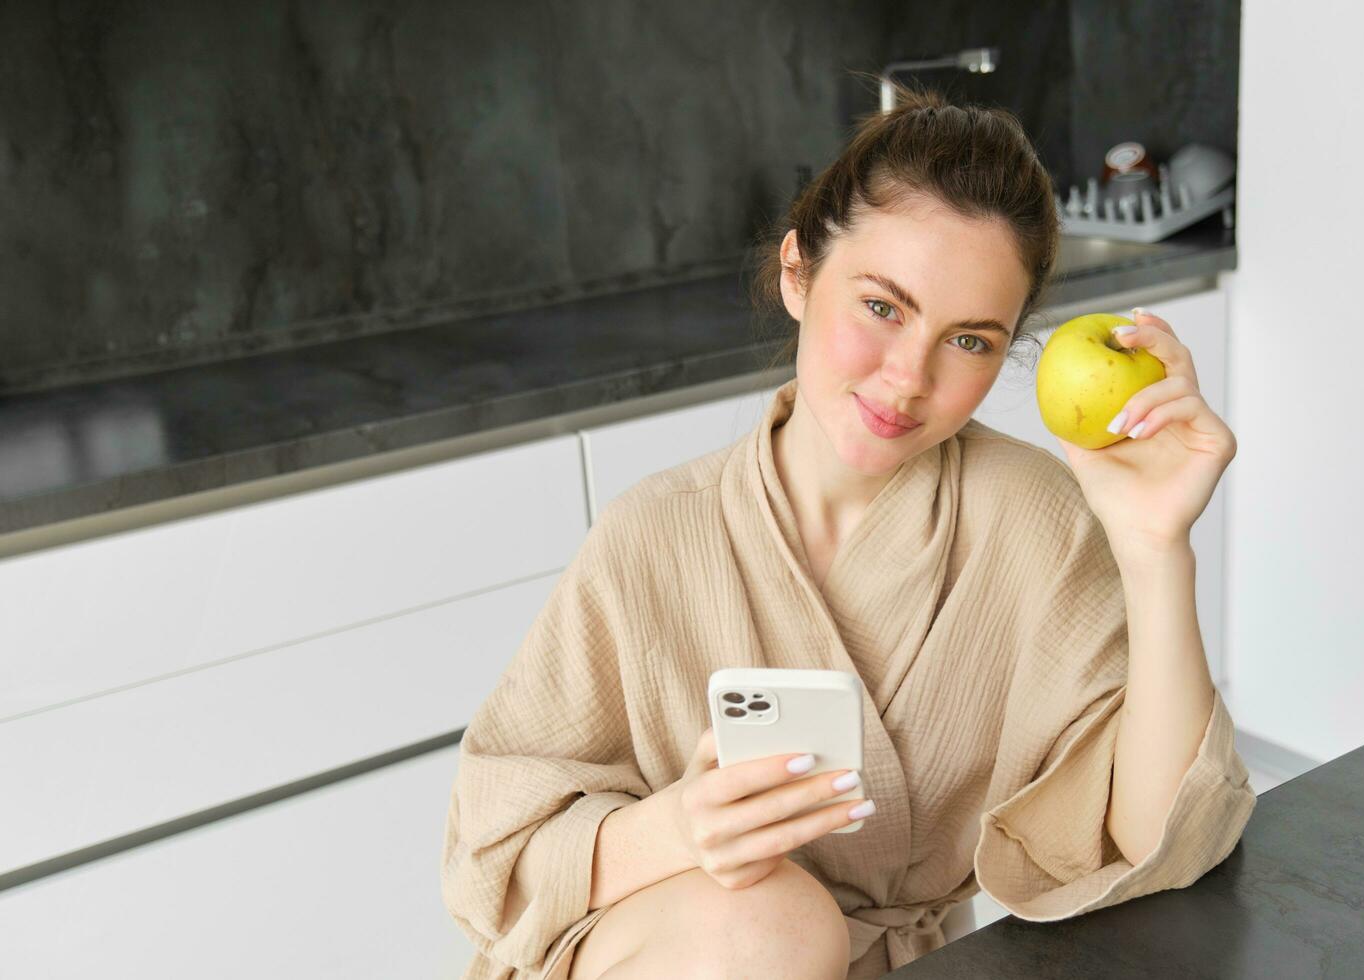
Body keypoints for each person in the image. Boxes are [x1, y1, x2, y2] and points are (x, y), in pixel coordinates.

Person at [441, 77, 1256, 980]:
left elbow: (1154, 842)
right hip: (671, 956)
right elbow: (492, 850)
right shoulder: (652, 535)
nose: (908, 378)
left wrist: (1154, 548)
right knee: (772, 922)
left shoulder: (1036, 521)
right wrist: (681, 827)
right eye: (881, 307)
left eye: (970, 341)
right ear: (797, 273)